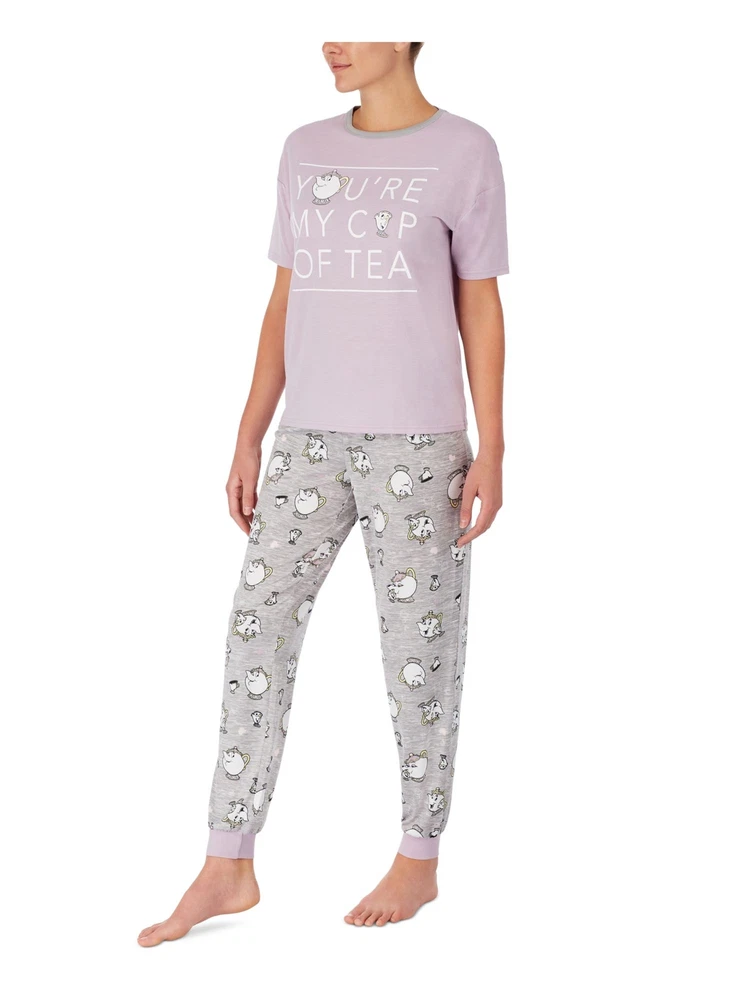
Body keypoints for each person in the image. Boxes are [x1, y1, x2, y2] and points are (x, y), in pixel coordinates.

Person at [138, 40, 508, 945]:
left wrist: (492, 445)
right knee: (256, 633)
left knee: (418, 652)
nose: (330, 41)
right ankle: (228, 862)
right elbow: (284, 298)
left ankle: (418, 857)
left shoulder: (465, 149)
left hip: (419, 446)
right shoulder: (304, 149)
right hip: (308, 438)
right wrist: (249, 431)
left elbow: (480, 303)